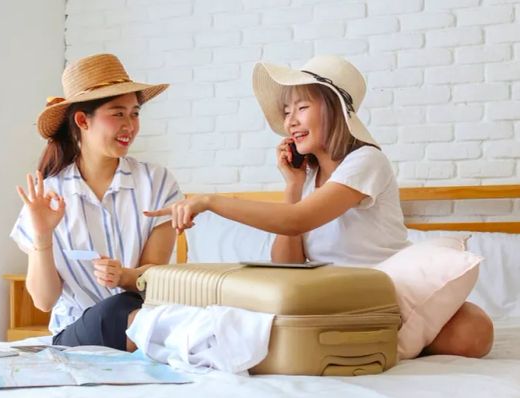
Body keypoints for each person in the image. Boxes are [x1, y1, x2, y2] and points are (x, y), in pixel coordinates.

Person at [145, 55, 493, 358]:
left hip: (383, 290)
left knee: (474, 332)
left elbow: (297, 221)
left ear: (332, 109)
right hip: (332, 296)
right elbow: (288, 265)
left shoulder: (366, 160)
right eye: (286, 111)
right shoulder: (307, 179)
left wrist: (209, 201)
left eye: (301, 108)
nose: (290, 121)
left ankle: (385, 335)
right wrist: (293, 186)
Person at [10, 53, 181, 352]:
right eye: (118, 114)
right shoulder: (46, 196)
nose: (130, 125)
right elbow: (44, 300)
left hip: (140, 319)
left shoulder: (158, 184)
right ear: (81, 121)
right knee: (115, 310)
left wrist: (126, 276)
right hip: (77, 334)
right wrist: (42, 236)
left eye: (135, 113)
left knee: (128, 306)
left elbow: (156, 278)